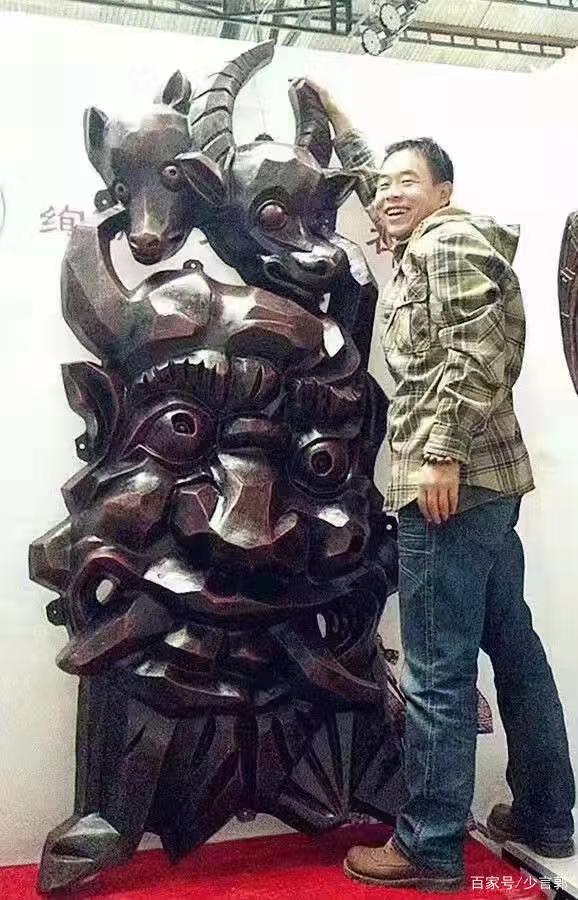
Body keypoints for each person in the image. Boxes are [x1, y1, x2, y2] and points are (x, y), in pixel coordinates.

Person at [304, 82, 576, 891]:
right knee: (512, 644)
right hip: (487, 486)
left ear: (444, 192)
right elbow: (381, 188)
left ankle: (428, 847)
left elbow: (473, 351)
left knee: (436, 669)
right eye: (383, 183)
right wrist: (346, 128)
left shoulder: (444, 243)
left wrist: (440, 456)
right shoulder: (427, 232)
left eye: (408, 183)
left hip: (447, 485)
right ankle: (546, 813)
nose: (389, 194)